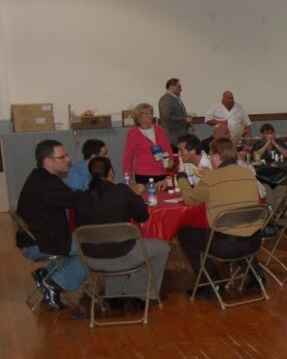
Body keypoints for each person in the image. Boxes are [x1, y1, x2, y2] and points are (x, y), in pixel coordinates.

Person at [74, 156, 171, 305]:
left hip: (90, 258)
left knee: (114, 243)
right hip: (121, 255)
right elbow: (142, 216)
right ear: (111, 173)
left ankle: (114, 295)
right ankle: (136, 291)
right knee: (162, 248)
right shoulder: (121, 191)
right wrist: (136, 196)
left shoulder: (80, 198)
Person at [177, 138, 264, 297]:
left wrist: (181, 177)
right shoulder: (248, 173)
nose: (209, 158)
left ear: (217, 156)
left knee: (184, 233)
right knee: (240, 225)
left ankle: (211, 283)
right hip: (254, 241)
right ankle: (257, 275)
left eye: (210, 155)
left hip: (226, 246)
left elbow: (189, 198)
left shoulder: (211, 178)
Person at [15, 140, 86, 310]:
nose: (68, 159)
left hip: (36, 238)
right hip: (40, 243)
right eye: (63, 157)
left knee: (85, 243)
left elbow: (70, 197)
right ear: (48, 161)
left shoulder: (39, 177)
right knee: (94, 247)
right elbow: (77, 200)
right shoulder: (48, 184)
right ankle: (55, 283)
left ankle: (46, 276)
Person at [122, 102, 173, 184]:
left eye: (151, 113)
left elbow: (167, 147)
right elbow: (128, 157)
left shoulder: (159, 129)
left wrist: (171, 160)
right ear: (139, 118)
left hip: (162, 172)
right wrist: (128, 177)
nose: (150, 116)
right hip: (143, 174)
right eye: (146, 114)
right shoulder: (133, 133)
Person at [158, 77, 192, 146]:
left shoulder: (176, 99)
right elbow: (167, 117)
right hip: (172, 137)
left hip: (179, 135)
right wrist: (184, 119)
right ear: (171, 87)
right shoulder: (165, 99)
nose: (181, 89)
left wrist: (188, 124)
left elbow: (179, 115)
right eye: (178, 87)